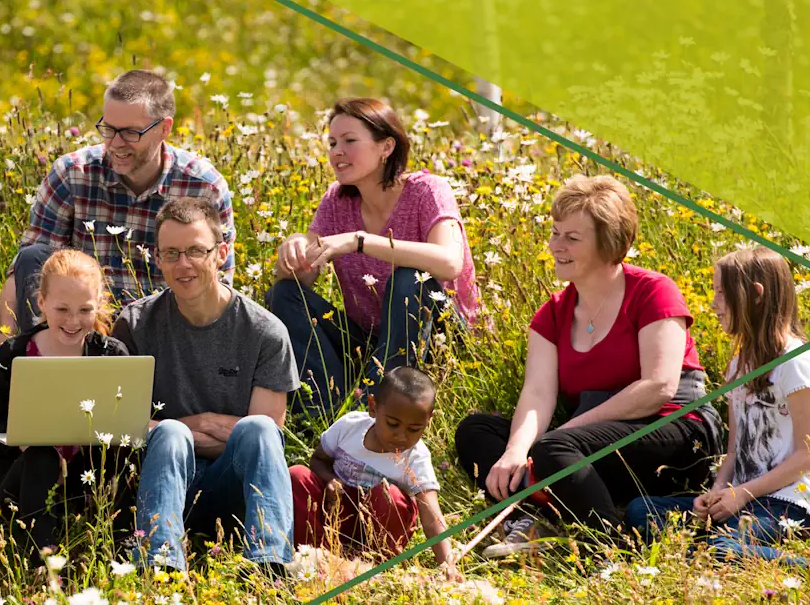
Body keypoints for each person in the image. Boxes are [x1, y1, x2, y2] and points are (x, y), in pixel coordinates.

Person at [453, 175, 723, 557]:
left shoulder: (653, 291)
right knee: (477, 430)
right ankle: (534, 521)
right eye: (555, 233)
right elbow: (538, 393)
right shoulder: (553, 313)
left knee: (553, 448)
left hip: (673, 429)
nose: (556, 246)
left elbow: (658, 387)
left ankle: (608, 548)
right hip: (591, 441)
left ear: (609, 243)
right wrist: (516, 450)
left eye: (572, 238)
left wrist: (560, 436)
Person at [111, 197, 300, 573]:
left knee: (256, 429)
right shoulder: (134, 324)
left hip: (232, 485)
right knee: (169, 435)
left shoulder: (264, 332)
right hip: (156, 480)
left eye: (196, 250)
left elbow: (264, 441)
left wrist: (175, 429)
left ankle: (269, 563)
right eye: (171, 253)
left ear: (221, 252)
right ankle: (160, 563)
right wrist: (190, 428)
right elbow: (123, 426)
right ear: (158, 259)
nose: (184, 264)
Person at [269, 97, 479, 415]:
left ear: (386, 147)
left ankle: (372, 405)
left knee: (409, 277)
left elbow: (450, 263)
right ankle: (326, 411)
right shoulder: (336, 201)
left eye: (349, 141)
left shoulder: (428, 191)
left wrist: (361, 242)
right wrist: (294, 249)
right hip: (371, 344)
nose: (336, 151)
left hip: (442, 341)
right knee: (284, 294)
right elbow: (303, 274)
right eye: (332, 142)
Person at [0, 69, 235, 336]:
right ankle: (44, 364)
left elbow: (218, 284)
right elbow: (24, 272)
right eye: (109, 129)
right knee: (34, 257)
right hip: (81, 328)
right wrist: (4, 346)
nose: (115, 144)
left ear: (164, 128)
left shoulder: (203, 186)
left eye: (131, 133)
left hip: (164, 331)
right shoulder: (72, 174)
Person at [626, 247, 810, 565]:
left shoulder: (795, 362)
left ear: (755, 295)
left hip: (787, 503)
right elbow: (736, 449)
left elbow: (807, 454)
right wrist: (716, 492)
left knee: (721, 549)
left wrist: (743, 494)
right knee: (640, 512)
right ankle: (703, 552)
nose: (713, 304)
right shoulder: (738, 366)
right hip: (740, 499)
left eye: (722, 293)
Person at [0, 249, 132, 554]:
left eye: (85, 310)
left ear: (99, 306)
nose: (73, 321)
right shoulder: (14, 354)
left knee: (126, 456)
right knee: (42, 451)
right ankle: (39, 554)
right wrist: (20, 439)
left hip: (83, 477)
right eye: (62, 309)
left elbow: (129, 424)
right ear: (41, 303)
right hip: (19, 477)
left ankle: (122, 542)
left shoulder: (111, 354)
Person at [289, 366, 459, 579]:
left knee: (391, 497)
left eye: (414, 429)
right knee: (297, 475)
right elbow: (317, 460)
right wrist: (330, 480)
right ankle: (313, 557)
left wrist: (448, 563)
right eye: (392, 424)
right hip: (333, 515)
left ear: (429, 420)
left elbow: (432, 515)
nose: (401, 436)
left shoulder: (415, 457)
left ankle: (371, 565)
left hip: (376, 533)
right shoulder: (350, 427)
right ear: (373, 407)